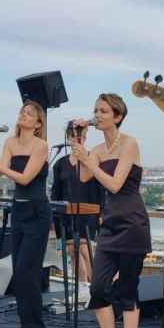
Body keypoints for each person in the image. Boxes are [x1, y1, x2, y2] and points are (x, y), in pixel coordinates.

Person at [70, 93, 151, 328]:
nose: (98, 115)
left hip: (132, 223)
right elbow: (83, 177)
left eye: (104, 111)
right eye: (96, 110)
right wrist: (79, 145)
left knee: (127, 290)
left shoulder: (129, 143)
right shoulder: (97, 149)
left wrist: (90, 162)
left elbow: (115, 185)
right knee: (98, 288)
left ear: (118, 116)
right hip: (110, 223)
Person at [0, 100, 51, 328]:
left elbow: (24, 178)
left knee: (27, 271)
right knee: (18, 271)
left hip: (37, 211)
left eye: (30, 113)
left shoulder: (41, 145)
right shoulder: (11, 142)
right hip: (19, 210)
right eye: (22, 112)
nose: (24, 115)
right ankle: (24, 325)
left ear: (38, 123)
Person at [51, 124, 105, 301]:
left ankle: (94, 287)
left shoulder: (92, 158)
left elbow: (102, 189)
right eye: (73, 136)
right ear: (68, 138)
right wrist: (54, 216)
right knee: (72, 251)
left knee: (84, 248)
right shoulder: (60, 164)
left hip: (89, 213)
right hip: (66, 215)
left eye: (81, 135)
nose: (77, 139)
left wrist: (103, 213)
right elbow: (56, 192)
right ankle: (82, 288)